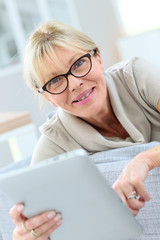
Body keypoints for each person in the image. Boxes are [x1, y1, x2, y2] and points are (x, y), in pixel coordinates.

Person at [10, 20, 160, 240]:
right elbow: (35, 221)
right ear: (47, 97)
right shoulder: (54, 144)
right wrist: (26, 235)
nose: (74, 83)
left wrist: (145, 159)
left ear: (98, 58)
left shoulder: (136, 76)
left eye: (79, 63)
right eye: (55, 81)